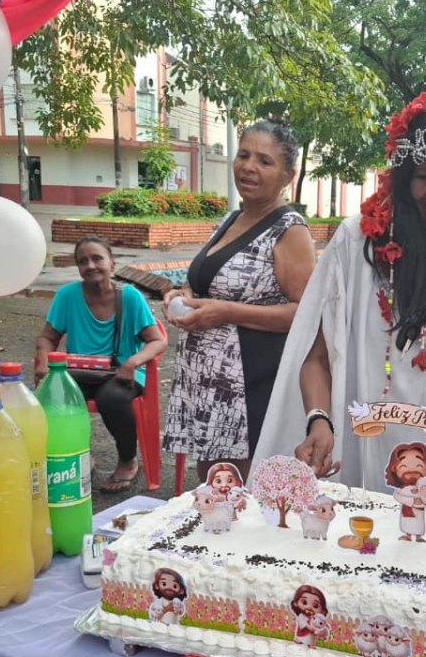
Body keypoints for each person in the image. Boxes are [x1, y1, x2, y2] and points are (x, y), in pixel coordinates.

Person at [256, 94, 426, 504]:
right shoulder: (358, 245)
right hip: (358, 459)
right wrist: (319, 421)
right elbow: (317, 358)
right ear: (404, 181)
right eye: (423, 175)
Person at [162, 120, 317, 483]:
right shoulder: (233, 218)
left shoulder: (289, 230)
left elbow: (306, 313)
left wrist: (226, 313)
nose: (248, 166)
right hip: (210, 384)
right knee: (213, 488)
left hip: (249, 384)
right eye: (243, 155)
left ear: (288, 176)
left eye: (264, 161)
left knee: (240, 491)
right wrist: (184, 295)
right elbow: (212, 284)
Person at [34, 235, 167, 493]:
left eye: (97, 258)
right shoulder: (67, 296)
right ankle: (79, 455)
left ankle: (128, 460)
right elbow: (48, 337)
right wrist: (43, 360)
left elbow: (157, 341)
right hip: (78, 372)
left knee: (112, 399)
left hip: (122, 373)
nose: (91, 266)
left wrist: (133, 362)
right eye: (83, 261)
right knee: (52, 396)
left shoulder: (130, 297)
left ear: (112, 263)